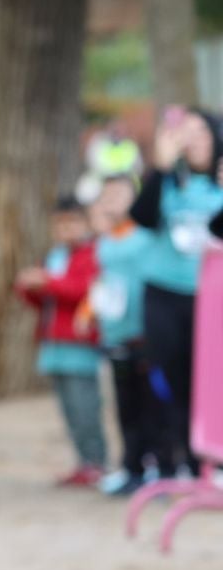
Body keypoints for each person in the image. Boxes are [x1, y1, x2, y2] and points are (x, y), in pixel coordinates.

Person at [130, 107, 223, 477]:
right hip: (165, 294)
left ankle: (212, 459)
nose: (195, 140)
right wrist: (160, 167)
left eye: (202, 132)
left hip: (211, 298)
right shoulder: (168, 181)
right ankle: (178, 458)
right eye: (188, 132)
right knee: (170, 378)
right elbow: (142, 218)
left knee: (213, 379)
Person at [17, 196, 106, 486]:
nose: (66, 229)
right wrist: (29, 287)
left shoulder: (94, 254)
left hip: (80, 345)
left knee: (85, 407)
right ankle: (83, 461)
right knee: (68, 409)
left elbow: (84, 291)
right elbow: (43, 302)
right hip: (52, 344)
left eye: (72, 222)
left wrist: (48, 282)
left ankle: (97, 462)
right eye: (60, 223)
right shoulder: (54, 256)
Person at [91, 175, 156, 494]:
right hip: (113, 335)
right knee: (124, 405)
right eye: (107, 195)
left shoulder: (147, 236)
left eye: (120, 193)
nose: (113, 200)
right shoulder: (104, 241)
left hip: (143, 335)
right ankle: (130, 466)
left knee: (151, 404)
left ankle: (155, 464)